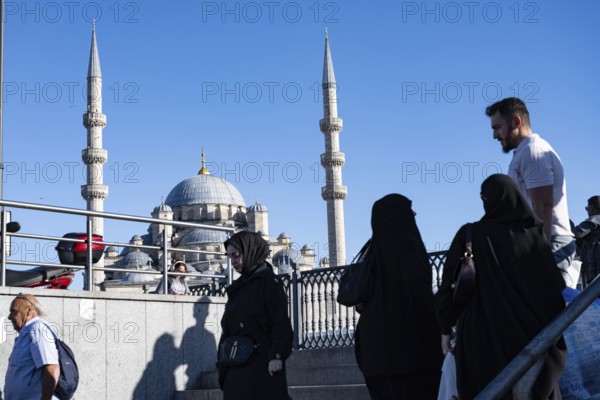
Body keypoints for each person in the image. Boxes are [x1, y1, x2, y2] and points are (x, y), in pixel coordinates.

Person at [436, 174, 567, 399]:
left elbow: (447, 289)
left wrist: (445, 330)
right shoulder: (534, 237)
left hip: (481, 345)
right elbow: (555, 289)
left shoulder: (470, 235)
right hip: (531, 343)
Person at [354, 194, 443, 400]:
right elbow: (420, 293)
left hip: (375, 355)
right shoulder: (409, 247)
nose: (414, 214)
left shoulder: (371, 253)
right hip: (413, 354)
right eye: (408, 210)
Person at [486, 97, 578, 287]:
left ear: (516, 122)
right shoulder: (524, 152)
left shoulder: (533, 151)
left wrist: (537, 254)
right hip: (542, 244)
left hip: (549, 244)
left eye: (497, 127)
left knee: (554, 313)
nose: (495, 135)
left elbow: (543, 206)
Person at [218, 231, 293, 400]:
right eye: (230, 256)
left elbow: (279, 321)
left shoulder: (268, 282)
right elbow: (228, 328)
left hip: (262, 363)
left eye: (236, 255)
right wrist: (223, 366)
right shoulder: (238, 287)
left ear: (251, 251)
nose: (233, 261)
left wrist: (276, 355)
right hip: (236, 364)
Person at [5, 293, 60, 400]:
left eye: (14, 311)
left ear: (29, 311)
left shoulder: (38, 328)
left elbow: (51, 368)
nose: (9, 317)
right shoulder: (27, 330)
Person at [572, 195, 600, 287]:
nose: (587, 211)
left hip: (595, 274)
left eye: (587, 208)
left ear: (593, 208)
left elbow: (576, 232)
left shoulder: (596, 218)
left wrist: (563, 222)